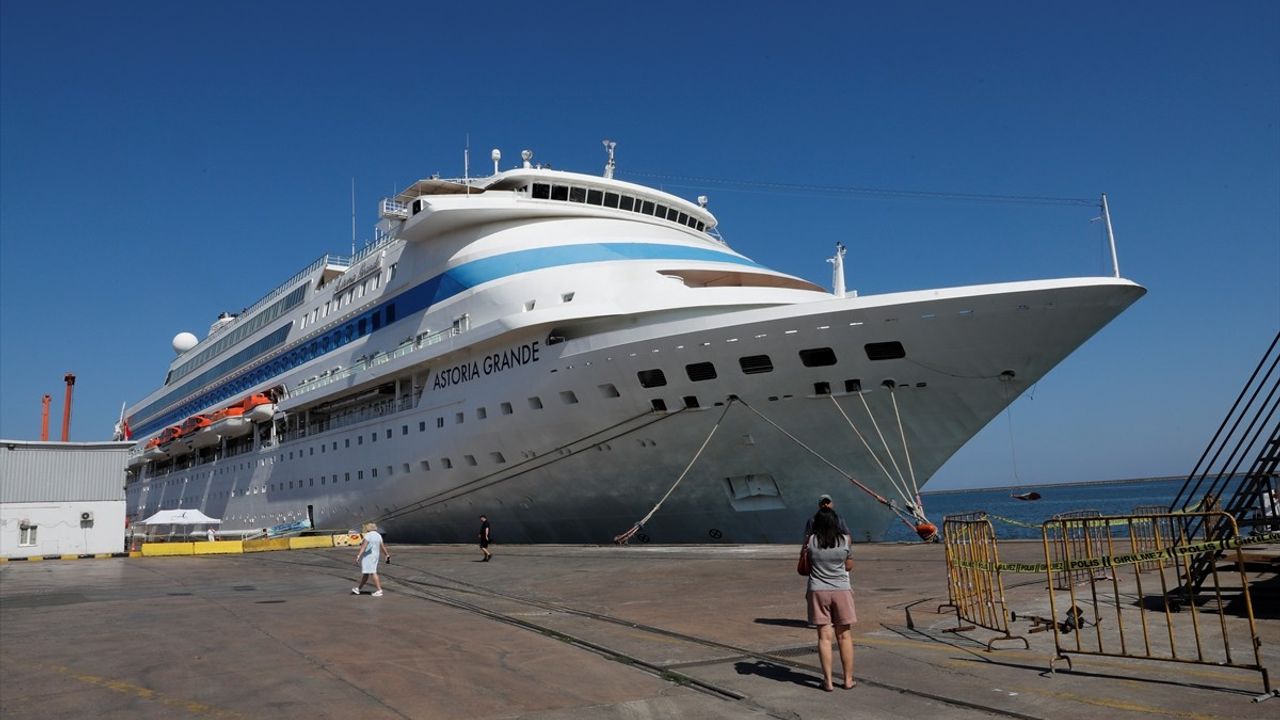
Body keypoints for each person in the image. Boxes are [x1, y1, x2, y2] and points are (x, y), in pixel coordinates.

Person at [804, 508, 856, 691]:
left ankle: (828, 681)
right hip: (841, 589)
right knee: (844, 636)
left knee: (824, 638)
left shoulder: (810, 541)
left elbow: (807, 565)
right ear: (836, 523)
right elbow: (849, 566)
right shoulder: (845, 540)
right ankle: (848, 680)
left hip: (818, 590)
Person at [352, 522, 390, 596]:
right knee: (366, 573)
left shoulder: (368, 535)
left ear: (368, 528)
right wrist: (387, 555)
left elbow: (363, 547)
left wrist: (358, 555)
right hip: (375, 556)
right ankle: (358, 589)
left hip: (368, 557)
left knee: (372, 572)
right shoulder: (378, 535)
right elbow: (382, 547)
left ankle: (379, 590)